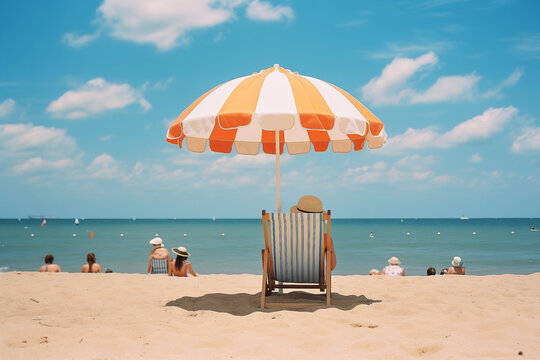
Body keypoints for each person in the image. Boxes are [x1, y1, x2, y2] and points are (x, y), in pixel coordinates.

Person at [290, 195, 336, 271]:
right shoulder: (325, 238)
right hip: (314, 277)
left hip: (286, 275)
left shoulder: (284, 237)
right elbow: (332, 266)